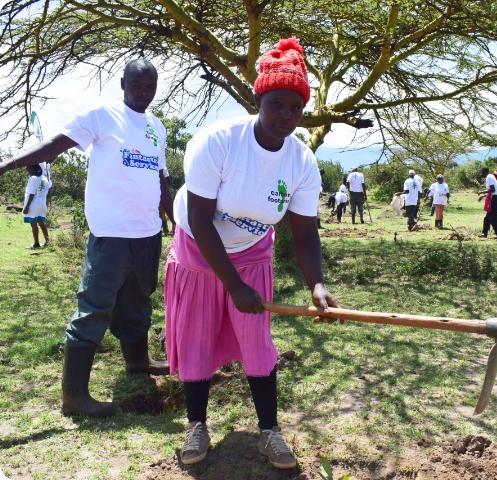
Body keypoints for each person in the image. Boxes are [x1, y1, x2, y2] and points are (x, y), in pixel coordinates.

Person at [164, 38, 338, 469]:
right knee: (197, 336)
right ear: (259, 99)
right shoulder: (218, 142)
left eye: (296, 109)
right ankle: (197, 425)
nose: (287, 117)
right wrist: (233, 285)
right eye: (278, 105)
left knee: (258, 342)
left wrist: (316, 283)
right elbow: (201, 221)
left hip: (252, 251)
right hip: (198, 248)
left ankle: (269, 432)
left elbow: (305, 233)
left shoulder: (301, 162)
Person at [0, 59, 174, 417]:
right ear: (122, 83)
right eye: (137, 86)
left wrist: (175, 219)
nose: (143, 94)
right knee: (95, 307)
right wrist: (6, 165)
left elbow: (161, 179)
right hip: (110, 233)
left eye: (150, 87)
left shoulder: (157, 127)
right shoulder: (102, 115)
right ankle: (74, 397)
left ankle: (138, 362)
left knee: (139, 298)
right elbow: (54, 146)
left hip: (146, 233)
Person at [22, 164, 51, 248]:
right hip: (42, 203)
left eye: (29, 169)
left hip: (33, 203)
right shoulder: (44, 178)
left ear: (34, 169)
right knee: (41, 222)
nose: (28, 171)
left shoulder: (33, 178)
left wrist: (27, 206)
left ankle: (36, 243)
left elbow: (31, 193)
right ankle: (48, 241)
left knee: (33, 224)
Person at [479, 167, 497, 239]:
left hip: (496, 198)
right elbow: (491, 189)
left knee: (493, 218)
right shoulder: (490, 176)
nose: (481, 174)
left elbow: (492, 189)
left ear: (484, 172)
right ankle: (484, 233)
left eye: (482, 172)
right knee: (488, 217)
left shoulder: (489, 177)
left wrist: (482, 192)